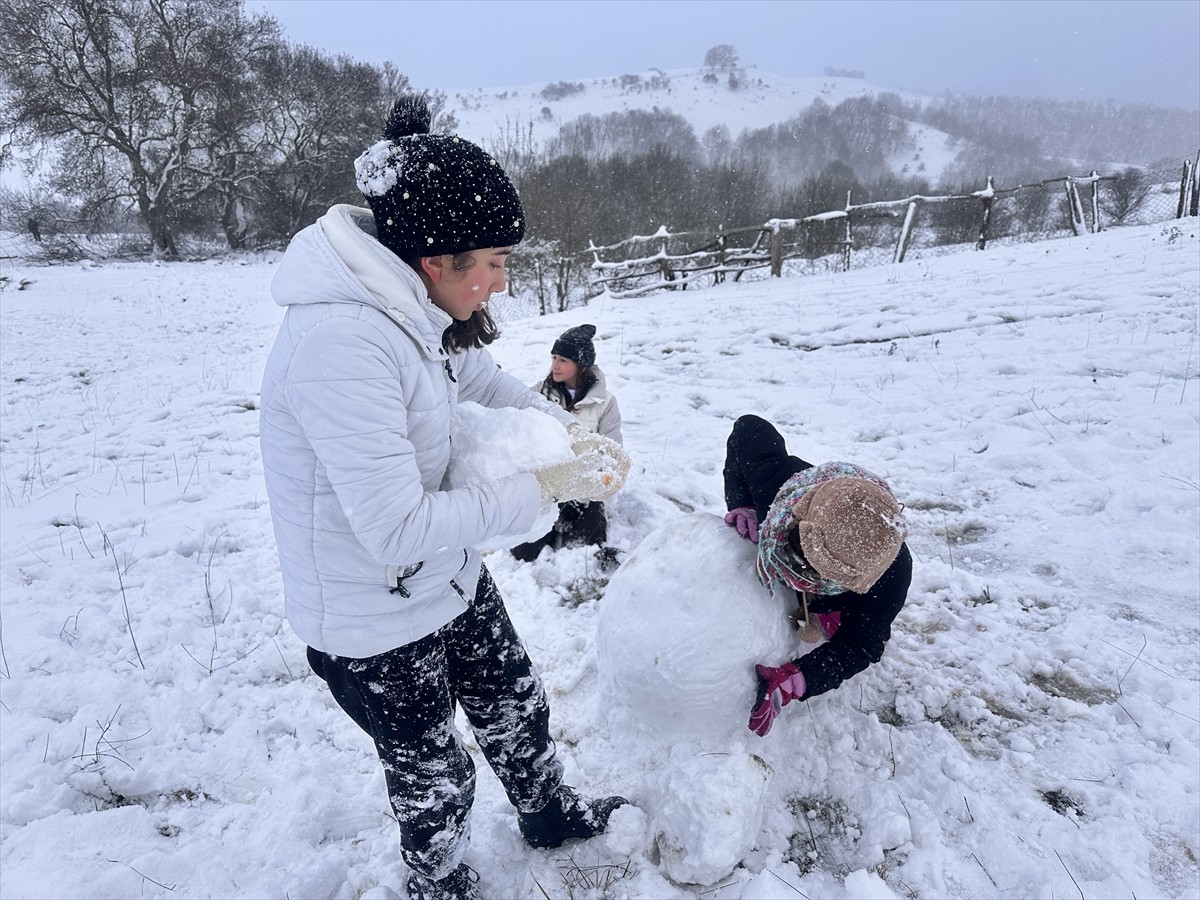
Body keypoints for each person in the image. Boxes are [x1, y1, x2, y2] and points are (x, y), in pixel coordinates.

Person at [259, 95, 631, 900]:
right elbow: (395, 528)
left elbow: (482, 378)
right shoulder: (343, 345)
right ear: (437, 261)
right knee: (435, 774)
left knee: (516, 701)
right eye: (493, 261)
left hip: (446, 575)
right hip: (371, 612)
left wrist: (568, 437)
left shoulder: (414, 310)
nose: (501, 281)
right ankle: (437, 881)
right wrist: (540, 488)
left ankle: (549, 814)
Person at [721, 414, 911, 737]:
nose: (802, 573)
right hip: (787, 515)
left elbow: (860, 645)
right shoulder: (781, 493)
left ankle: (830, 607)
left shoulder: (889, 575)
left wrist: (799, 677)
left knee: (850, 626)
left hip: (850, 600)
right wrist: (743, 504)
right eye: (799, 559)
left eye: (817, 575)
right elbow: (747, 428)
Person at [511, 324, 623, 563]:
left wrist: (583, 490)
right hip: (546, 487)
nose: (554, 366)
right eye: (553, 358)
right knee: (524, 554)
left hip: (583, 492)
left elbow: (611, 454)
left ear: (581, 365)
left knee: (584, 553)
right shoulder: (539, 393)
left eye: (563, 360)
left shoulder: (606, 403)